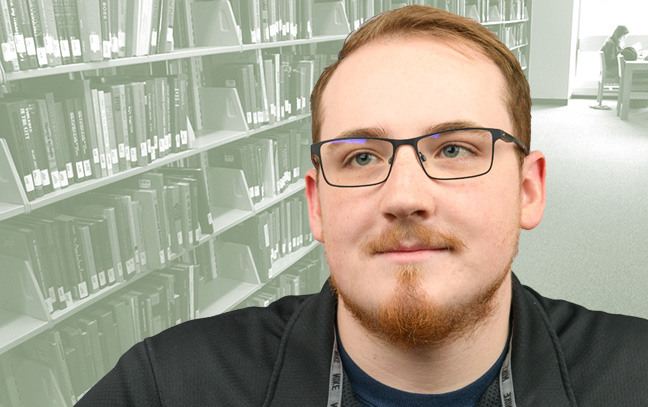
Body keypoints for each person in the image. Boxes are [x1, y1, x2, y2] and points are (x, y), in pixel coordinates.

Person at [75, 6, 648, 406]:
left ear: (529, 189)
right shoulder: (168, 385)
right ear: (317, 204)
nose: (404, 197)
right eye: (361, 159)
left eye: (453, 149)